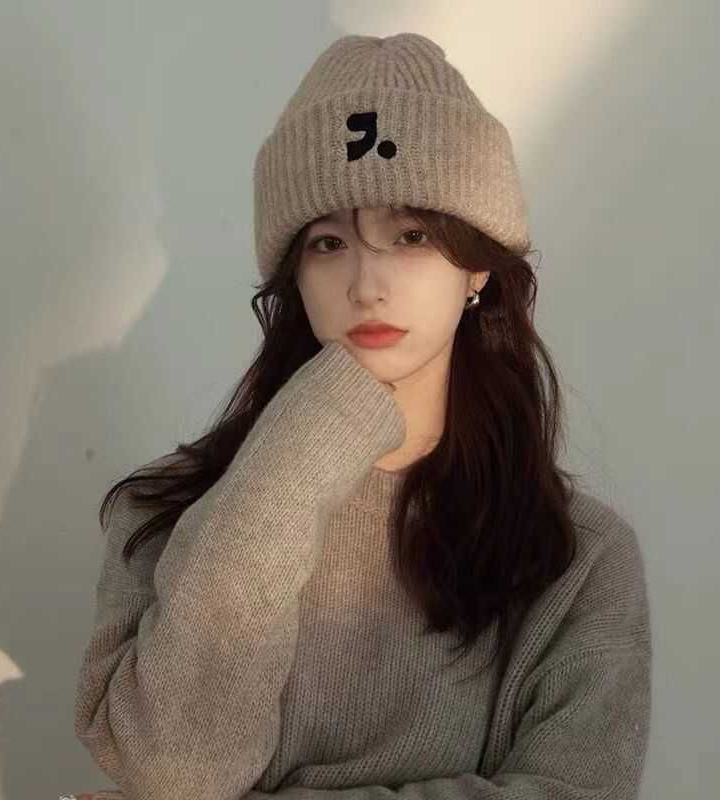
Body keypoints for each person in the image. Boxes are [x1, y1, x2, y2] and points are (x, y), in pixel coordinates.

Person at [71, 32, 651, 800]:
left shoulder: (578, 559)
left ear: (478, 265)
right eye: (328, 242)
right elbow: (175, 770)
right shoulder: (167, 516)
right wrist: (302, 447)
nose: (367, 283)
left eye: (411, 235)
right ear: (294, 276)